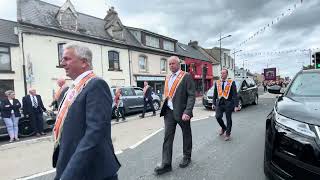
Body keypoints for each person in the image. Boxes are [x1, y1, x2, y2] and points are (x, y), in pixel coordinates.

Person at [52, 43, 120, 180]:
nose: (62, 63)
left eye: (67, 59)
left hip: (92, 171)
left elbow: (95, 133)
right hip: (70, 163)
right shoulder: (71, 88)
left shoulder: (96, 85)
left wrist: (70, 174)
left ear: (84, 62)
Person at [154, 56, 195, 175]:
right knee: (167, 137)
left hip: (182, 112)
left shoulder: (186, 76)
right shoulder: (167, 77)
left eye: (173, 63)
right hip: (169, 113)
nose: (171, 66)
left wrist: (188, 111)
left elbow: (191, 95)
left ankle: (187, 156)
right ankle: (166, 164)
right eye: (169, 64)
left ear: (178, 64)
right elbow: (168, 94)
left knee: (186, 134)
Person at [212, 68, 240, 141]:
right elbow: (215, 93)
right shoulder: (217, 82)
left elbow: (235, 95)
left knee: (228, 119)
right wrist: (213, 103)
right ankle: (224, 128)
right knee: (218, 116)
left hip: (228, 103)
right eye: (221, 73)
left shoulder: (231, 82)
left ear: (227, 74)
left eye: (224, 73)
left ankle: (228, 133)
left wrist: (236, 105)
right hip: (220, 103)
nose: (222, 74)